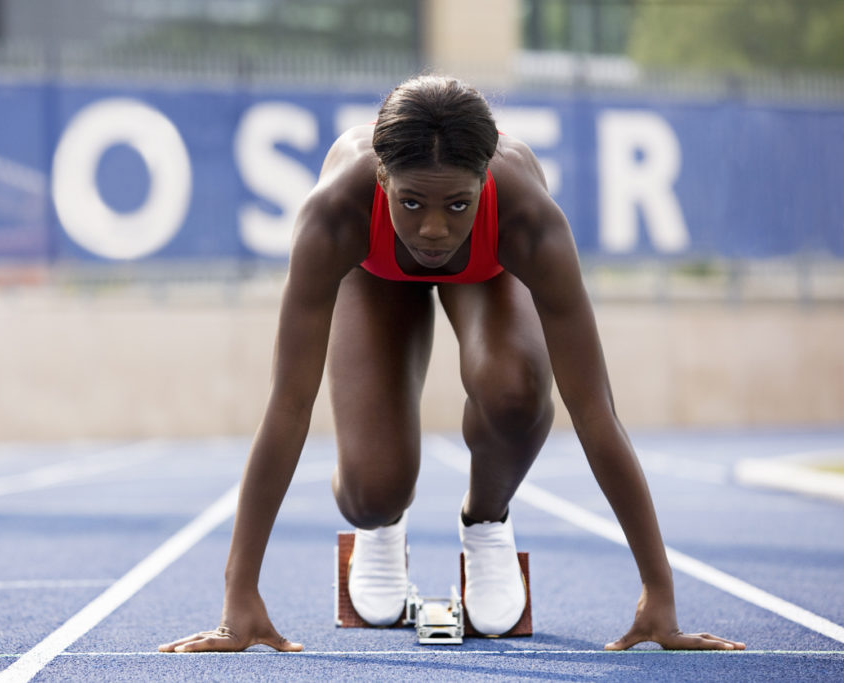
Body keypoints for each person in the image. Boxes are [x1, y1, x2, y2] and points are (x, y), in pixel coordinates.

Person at [159, 75, 745, 653]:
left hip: (488, 272)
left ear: (484, 179)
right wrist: (240, 595)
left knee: (515, 389)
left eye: (457, 204)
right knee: (373, 489)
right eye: (411, 202)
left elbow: (595, 412)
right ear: (382, 178)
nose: (433, 230)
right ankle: (381, 525)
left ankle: (486, 522)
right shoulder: (334, 215)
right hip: (375, 273)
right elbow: (287, 407)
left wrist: (658, 593)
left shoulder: (529, 220)